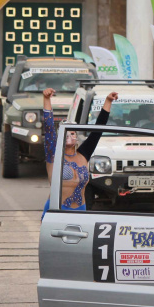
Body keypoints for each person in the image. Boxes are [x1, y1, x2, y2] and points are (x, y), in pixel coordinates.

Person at [41, 88, 117, 217]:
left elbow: (97, 131)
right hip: (57, 210)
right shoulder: (54, 155)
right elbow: (48, 127)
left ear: (76, 137)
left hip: (81, 210)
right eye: (65, 133)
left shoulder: (83, 154)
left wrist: (108, 101)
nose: (69, 136)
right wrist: (46, 99)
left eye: (72, 133)